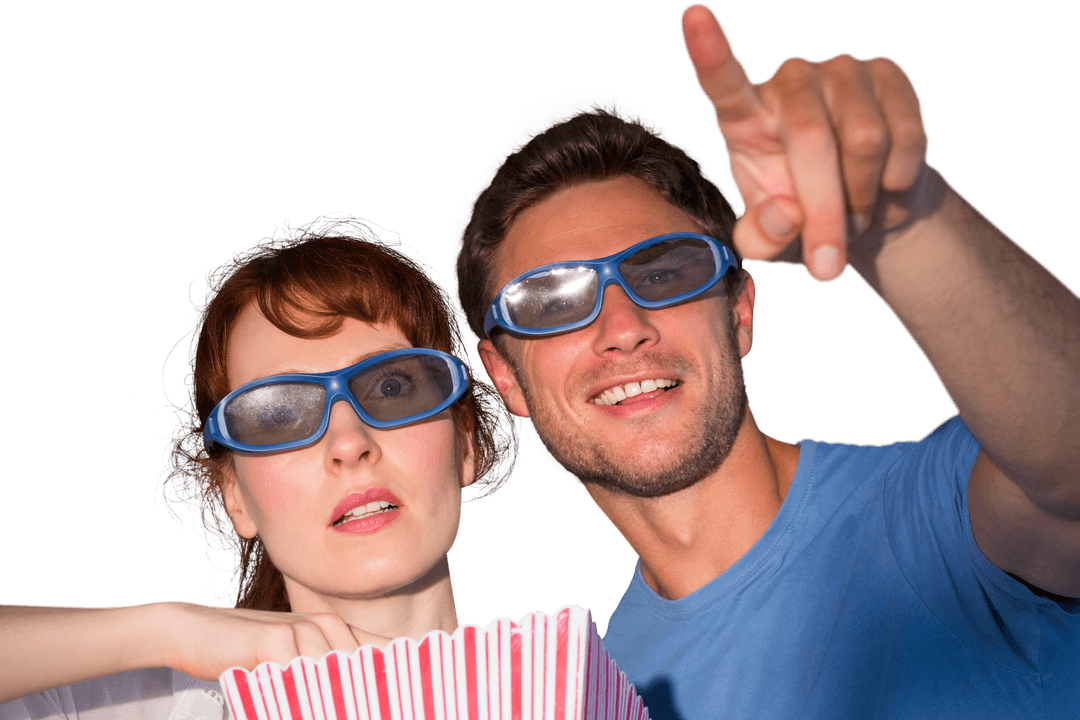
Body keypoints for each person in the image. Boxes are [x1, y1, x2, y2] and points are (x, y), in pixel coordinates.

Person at [452, 5, 1079, 718]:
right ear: (506, 378)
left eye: (664, 272)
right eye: (553, 301)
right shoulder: (603, 693)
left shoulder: (934, 520)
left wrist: (903, 225)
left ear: (741, 312)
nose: (622, 329)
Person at [0, 213, 521, 717]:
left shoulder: (583, 688)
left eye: (392, 386)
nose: (348, 442)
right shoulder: (137, 708)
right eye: (278, 414)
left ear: (466, 441)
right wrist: (166, 631)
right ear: (235, 497)